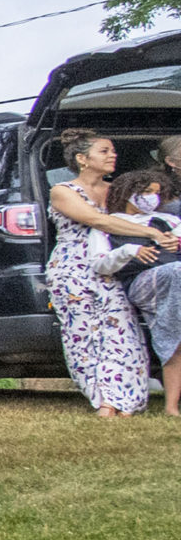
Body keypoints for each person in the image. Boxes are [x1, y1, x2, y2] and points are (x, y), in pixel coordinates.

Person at [45, 128, 162, 417]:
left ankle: (124, 398)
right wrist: (152, 233)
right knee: (83, 335)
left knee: (120, 332)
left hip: (111, 266)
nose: (113, 155)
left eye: (112, 151)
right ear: (83, 159)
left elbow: (140, 216)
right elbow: (97, 220)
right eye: (105, 151)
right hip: (72, 268)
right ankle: (104, 401)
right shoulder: (62, 191)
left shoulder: (115, 191)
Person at [102, 169, 181, 415]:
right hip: (143, 281)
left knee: (173, 335)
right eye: (146, 193)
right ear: (128, 194)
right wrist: (130, 251)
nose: (152, 199)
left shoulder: (170, 222)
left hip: (174, 282)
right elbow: (100, 263)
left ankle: (171, 407)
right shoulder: (109, 224)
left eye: (156, 193)